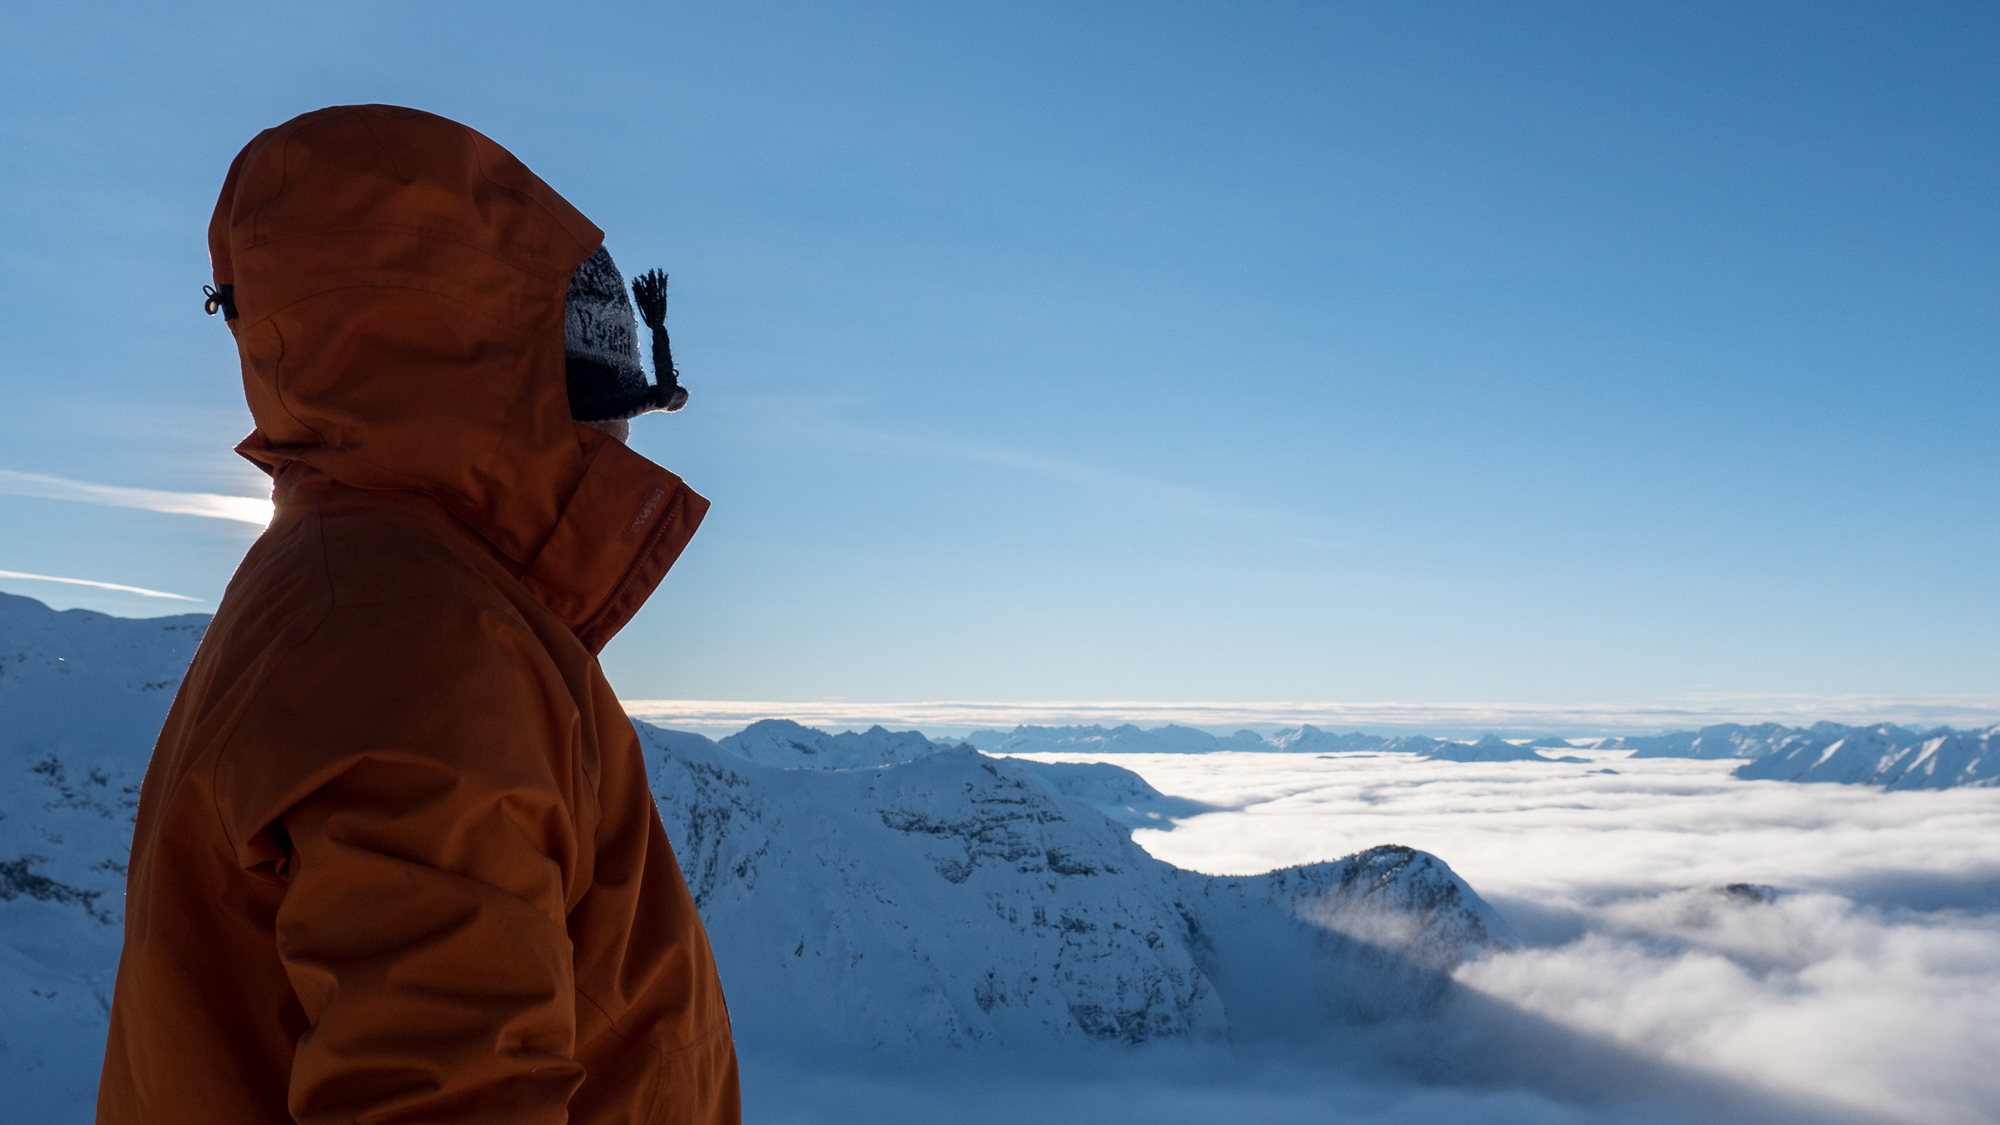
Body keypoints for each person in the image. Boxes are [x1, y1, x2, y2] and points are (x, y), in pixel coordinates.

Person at [97, 105, 740, 1125]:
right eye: (615, 399)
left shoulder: (346, 591)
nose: (627, 442)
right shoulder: (421, 641)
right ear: (533, 397)